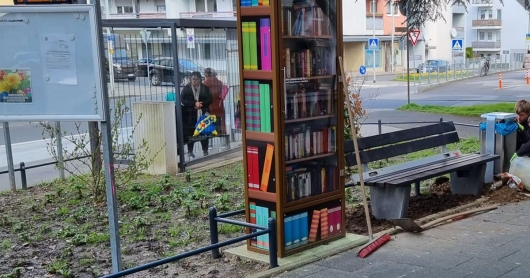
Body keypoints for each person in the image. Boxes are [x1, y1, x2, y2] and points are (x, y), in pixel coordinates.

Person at [181, 71, 212, 158]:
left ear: (200, 80)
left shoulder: (204, 88)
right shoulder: (186, 88)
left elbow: (210, 99)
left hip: (203, 113)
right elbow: (183, 100)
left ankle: (205, 150)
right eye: (192, 79)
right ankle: (190, 151)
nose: (194, 81)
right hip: (191, 115)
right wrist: (194, 104)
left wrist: (201, 104)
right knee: (191, 133)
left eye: (196, 79)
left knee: (203, 132)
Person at [202, 68, 226, 135]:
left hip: (209, 106)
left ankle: (210, 139)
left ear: (206, 74)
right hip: (219, 106)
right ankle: (219, 134)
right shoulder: (220, 82)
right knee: (218, 122)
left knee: (208, 124)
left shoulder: (204, 83)